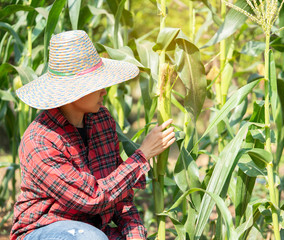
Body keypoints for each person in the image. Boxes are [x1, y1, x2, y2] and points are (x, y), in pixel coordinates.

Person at [10, 30, 175, 240]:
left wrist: (135, 235)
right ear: (72, 92)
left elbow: (120, 196)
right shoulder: (40, 141)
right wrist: (142, 155)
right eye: (96, 85)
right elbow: (92, 198)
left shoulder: (102, 121)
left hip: (93, 229)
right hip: (43, 230)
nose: (104, 91)